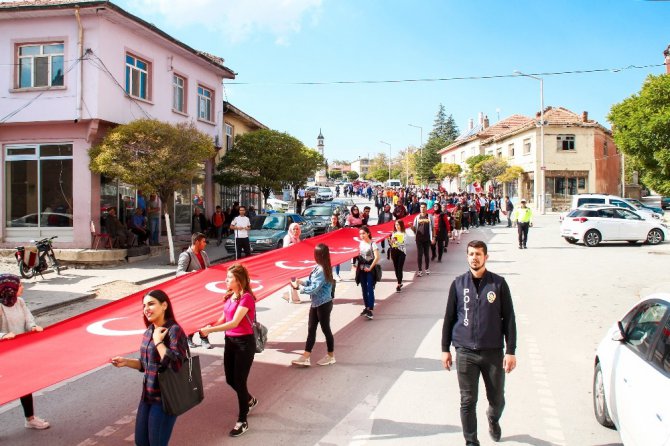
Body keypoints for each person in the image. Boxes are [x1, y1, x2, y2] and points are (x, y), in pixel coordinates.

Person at [441, 240, 517, 446]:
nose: (474, 257)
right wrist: (444, 349)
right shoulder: (458, 284)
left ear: (486, 257)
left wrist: (510, 350)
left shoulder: (498, 284)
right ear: (467, 257)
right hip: (465, 352)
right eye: (471, 254)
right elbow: (449, 317)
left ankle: (493, 418)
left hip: (493, 352)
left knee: (497, 400)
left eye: (478, 254)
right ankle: (471, 442)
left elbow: (509, 318)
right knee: (467, 401)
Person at [111, 289, 188, 446]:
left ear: (164, 305)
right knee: (141, 442)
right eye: (144, 305)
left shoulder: (174, 330)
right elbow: (146, 365)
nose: (146, 309)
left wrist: (158, 341)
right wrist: (126, 362)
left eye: (151, 304)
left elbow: (175, 364)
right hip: (147, 395)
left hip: (166, 398)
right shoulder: (150, 331)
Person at [198, 264, 258, 438]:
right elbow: (224, 318)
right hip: (230, 342)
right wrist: (210, 325)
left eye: (229, 277)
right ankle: (249, 400)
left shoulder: (246, 298)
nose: (226, 280)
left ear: (239, 280)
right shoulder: (230, 297)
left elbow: (234, 323)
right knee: (230, 379)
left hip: (244, 343)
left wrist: (210, 331)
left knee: (239, 381)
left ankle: (242, 420)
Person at [0, 274, 50, 430]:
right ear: (10, 289)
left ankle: (30, 419)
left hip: (19, 352)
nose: (23, 287)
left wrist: (33, 327)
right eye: (20, 285)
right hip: (3, 353)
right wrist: (3, 336)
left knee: (24, 384)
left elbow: (28, 319)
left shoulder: (20, 302)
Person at [289, 243, 336, 367]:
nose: (314, 255)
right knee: (311, 330)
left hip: (323, 304)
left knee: (326, 330)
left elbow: (314, 288)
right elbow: (312, 282)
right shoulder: (320, 266)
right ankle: (306, 356)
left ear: (319, 255)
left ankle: (331, 356)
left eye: (315, 253)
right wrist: (301, 282)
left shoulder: (321, 269)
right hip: (316, 303)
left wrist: (299, 288)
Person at [176, 232, 212, 349]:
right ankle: (189, 337)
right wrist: (190, 274)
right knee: (193, 315)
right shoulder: (186, 255)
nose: (205, 244)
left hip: (203, 290)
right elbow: (178, 273)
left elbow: (208, 268)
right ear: (196, 242)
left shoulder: (204, 254)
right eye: (203, 242)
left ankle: (204, 338)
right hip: (191, 292)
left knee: (205, 316)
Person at [355, 226, 380, 320]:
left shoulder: (373, 244)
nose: (361, 235)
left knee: (370, 288)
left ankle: (370, 309)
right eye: (360, 234)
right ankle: (366, 307)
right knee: (364, 288)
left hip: (370, 269)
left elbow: (377, 257)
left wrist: (370, 268)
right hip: (362, 268)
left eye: (363, 233)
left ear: (368, 233)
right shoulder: (360, 243)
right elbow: (359, 255)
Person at [281, 223, 303, 304]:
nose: (296, 231)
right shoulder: (288, 237)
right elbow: (285, 249)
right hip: (289, 263)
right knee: (293, 280)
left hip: (296, 262)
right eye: (294, 229)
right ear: (290, 230)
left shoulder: (297, 238)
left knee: (293, 280)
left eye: (297, 229)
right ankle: (293, 299)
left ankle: (287, 295)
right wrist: (292, 245)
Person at [412, 202, 434, 277]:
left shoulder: (430, 217)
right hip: (419, 239)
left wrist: (433, 237)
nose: (422, 208)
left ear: (426, 208)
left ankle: (427, 268)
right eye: (421, 207)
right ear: (420, 208)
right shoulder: (417, 217)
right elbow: (414, 229)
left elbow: (433, 228)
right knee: (419, 254)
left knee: (427, 254)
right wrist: (411, 227)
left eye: (424, 207)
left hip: (427, 238)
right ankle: (420, 270)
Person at [389, 220, 407, 293]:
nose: (397, 226)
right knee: (396, 268)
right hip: (394, 251)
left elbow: (403, 243)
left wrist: (395, 242)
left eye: (398, 225)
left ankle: (399, 284)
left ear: (401, 225)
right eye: (396, 225)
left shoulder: (404, 233)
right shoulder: (393, 233)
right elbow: (392, 243)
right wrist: (390, 241)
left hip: (401, 252)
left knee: (400, 268)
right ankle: (399, 281)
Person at [327, 214, 343, 281]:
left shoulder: (339, 227)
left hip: (337, 246)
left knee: (337, 261)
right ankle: (330, 275)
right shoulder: (328, 227)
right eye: (332, 219)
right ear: (331, 219)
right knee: (329, 261)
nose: (334, 220)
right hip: (329, 246)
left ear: (337, 220)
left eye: (335, 219)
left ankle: (337, 274)